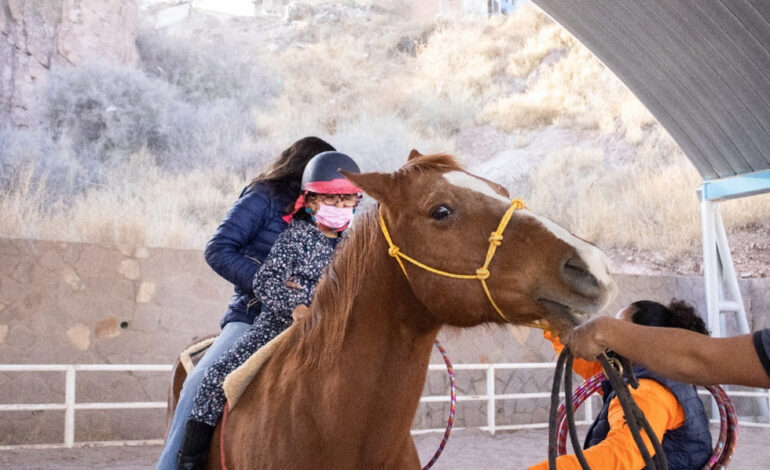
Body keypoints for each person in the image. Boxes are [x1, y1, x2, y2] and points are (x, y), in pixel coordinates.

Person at [157, 137, 336, 470]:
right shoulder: (264, 197)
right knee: (200, 382)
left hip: (313, 321)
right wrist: (271, 284)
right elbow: (218, 249)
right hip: (253, 315)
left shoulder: (330, 216)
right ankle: (171, 465)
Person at [531, 300, 713, 470]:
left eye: (619, 330)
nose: (610, 339)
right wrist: (552, 324)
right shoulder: (658, 373)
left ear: (644, 339)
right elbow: (590, 364)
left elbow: (621, 455)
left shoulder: (647, 391)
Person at [564, 313, 770, 390]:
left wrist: (606, 330)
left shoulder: (648, 391)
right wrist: (556, 330)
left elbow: (698, 360)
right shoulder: (628, 381)